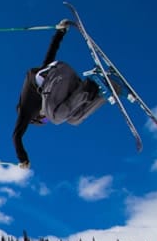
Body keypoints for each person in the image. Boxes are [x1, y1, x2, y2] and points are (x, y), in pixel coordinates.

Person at [12, 19, 106, 169]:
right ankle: (104, 92)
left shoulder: (26, 110)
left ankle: (90, 86)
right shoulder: (48, 98)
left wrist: (23, 159)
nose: (45, 119)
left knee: (56, 117)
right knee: (73, 119)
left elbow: (16, 136)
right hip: (67, 81)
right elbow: (50, 54)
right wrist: (61, 32)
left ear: (36, 118)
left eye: (43, 120)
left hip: (57, 75)